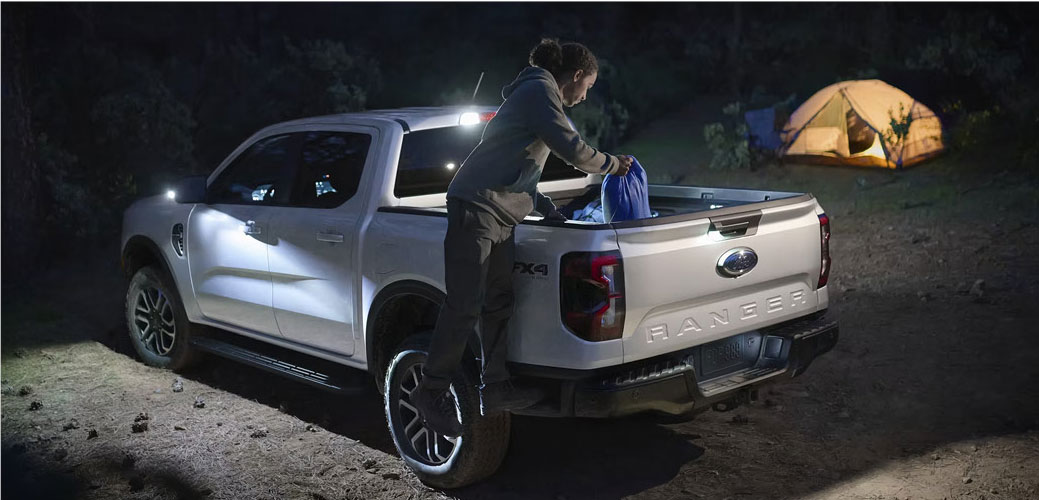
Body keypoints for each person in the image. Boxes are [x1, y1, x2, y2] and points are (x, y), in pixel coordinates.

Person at [411, 38, 634, 436]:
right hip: (476, 208)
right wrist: (613, 164)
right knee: (465, 305)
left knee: (498, 301)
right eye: (589, 87)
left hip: (500, 212)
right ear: (577, 75)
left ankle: (495, 388)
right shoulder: (539, 91)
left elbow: (518, 167)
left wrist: (549, 210)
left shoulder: (536, 95)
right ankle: (431, 392)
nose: (585, 97)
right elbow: (573, 149)